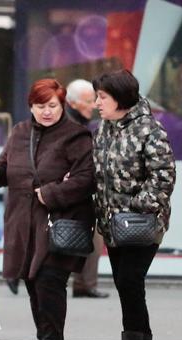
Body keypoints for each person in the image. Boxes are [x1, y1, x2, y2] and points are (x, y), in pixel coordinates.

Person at [0, 78, 95, 340]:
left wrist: (50, 194)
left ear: (62, 105)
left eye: (52, 106)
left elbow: (87, 179)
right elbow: (5, 170)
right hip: (24, 223)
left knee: (49, 283)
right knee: (34, 286)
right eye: (40, 106)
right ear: (30, 106)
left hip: (59, 222)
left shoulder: (77, 136)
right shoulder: (20, 133)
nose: (46, 112)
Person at [91, 69, 176, 340]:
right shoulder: (104, 129)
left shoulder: (150, 130)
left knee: (129, 282)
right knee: (128, 286)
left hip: (142, 224)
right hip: (112, 225)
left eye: (102, 97)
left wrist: (134, 207)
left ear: (120, 98)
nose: (97, 103)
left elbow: (163, 177)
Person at [65, 79, 108, 299]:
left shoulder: (81, 123)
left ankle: (85, 283)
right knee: (91, 236)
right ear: (73, 103)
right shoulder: (71, 126)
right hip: (71, 190)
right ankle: (84, 283)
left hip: (78, 189)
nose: (93, 105)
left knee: (93, 236)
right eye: (89, 101)